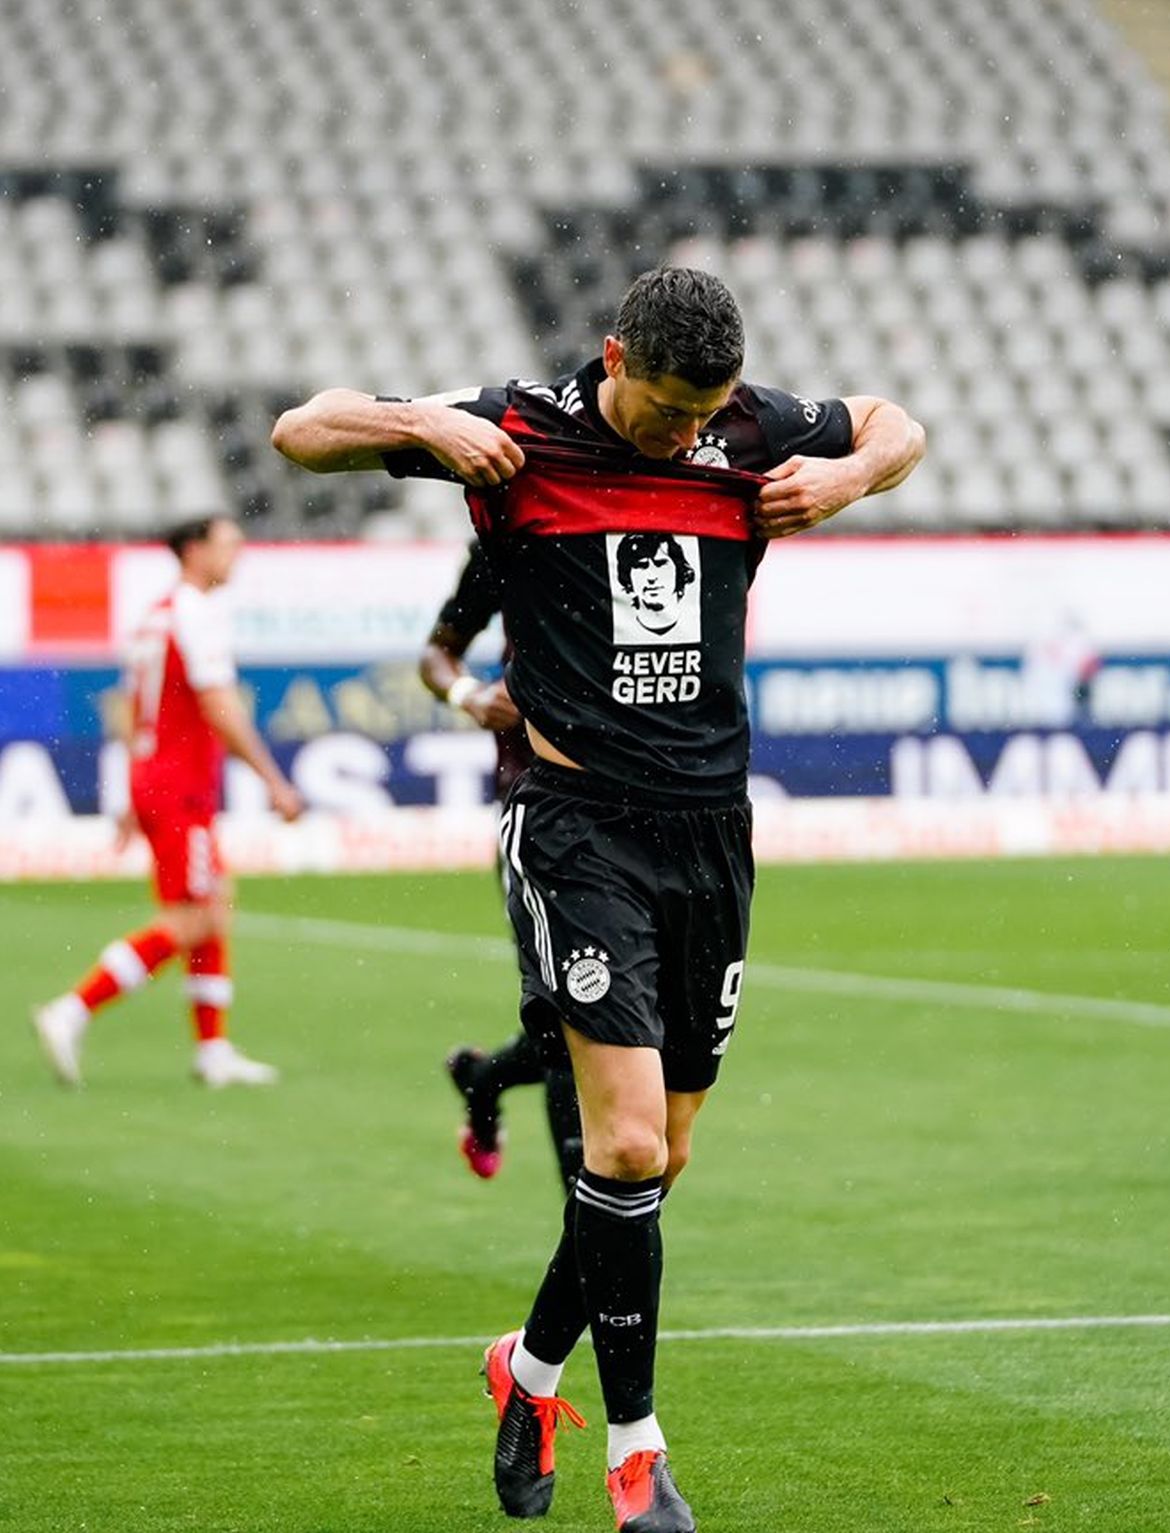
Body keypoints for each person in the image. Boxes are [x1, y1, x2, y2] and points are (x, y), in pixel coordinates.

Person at [273, 267, 924, 1532]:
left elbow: (896, 422)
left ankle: (524, 1371)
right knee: (623, 1147)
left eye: (708, 415)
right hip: (576, 827)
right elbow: (305, 426)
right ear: (616, 357)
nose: (690, 437)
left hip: (712, 832)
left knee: (661, 1160)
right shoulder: (517, 429)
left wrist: (850, 478)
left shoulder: (745, 429)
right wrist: (423, 422)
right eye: (670, 412)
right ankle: (639, 1460)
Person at [33, 514, 304, 1089]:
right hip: (181, 787)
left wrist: (134, 788)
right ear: (194, 551)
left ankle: (213, 1051)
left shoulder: (157, 617)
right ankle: (72, 1010)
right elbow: (219, 707)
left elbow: (137, 709)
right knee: (191, 916)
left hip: (159, 781)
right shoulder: (196, 614)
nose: (236, 557)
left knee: (213, 901)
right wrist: (273, 780)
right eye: (227, 546)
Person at [419, 540, 583, 1191]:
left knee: (626, 1029)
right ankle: (591, 1231)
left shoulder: (657, 516)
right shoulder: (513, 537)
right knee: (576, 1021)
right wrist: (467, 693)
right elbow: (438, 651)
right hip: (540, 810)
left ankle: (484, 1078)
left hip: (646, 813)